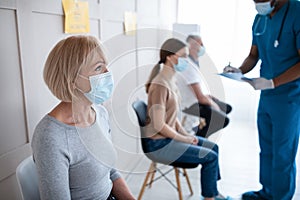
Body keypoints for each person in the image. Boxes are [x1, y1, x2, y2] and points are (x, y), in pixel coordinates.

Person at [31, 35, 135, 200]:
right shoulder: (50, 137)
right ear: (72, 81)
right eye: (99, 68)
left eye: (106, 65)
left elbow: (111, 171)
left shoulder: (100, 114)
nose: (108, 73)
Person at [223, 0, 300, 199]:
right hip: (266, 96)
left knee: (283, 152)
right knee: (266, 148)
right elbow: (253, 55)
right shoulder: (260, 19)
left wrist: (274, 82)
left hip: (290, 97)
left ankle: (280, 197)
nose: (258, 3)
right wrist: (239, 70)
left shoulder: (297, 13)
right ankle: (266, 193)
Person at [144, 38, 231, 200]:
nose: (186, 60)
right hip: (158, 144)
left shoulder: (171, 79)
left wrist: (187, 135)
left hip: (168, 139)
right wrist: (183, 138)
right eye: (183, 56)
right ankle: (209, 197)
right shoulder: (160, 85)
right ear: (170, 57)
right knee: (209, 157)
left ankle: (213, 192)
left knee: (214, 148)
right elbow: (159, 124)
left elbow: (171, 116)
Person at [176, 34, 232, 138]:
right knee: (223, 119)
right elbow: (199, 97)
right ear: (191, 46)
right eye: (200, 44)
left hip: (194, 100)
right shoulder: (188, 66)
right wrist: (213, 105)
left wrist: (208, 98)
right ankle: (199, 138)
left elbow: (196, 91)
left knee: (227, 108)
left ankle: (197, 131)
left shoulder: (193, 63)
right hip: (189, 105)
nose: (203, 47)